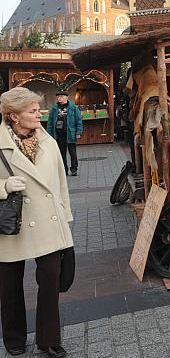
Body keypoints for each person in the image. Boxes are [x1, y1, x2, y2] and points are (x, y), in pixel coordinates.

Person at [0, 87, 73, 358]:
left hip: (47, 222)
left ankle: (49, 339)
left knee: (51, 278)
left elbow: (60, 184)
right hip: (11, 227)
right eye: (32, 111)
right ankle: (14, 337)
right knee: (9, 286)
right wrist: (4, 185)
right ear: (14, 116)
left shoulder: (48, 141)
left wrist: (66, 221)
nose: (39, 114)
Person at [46, 91, 82, 177]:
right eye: (58, 97)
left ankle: (74, 169)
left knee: (72, 153)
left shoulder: (73, 108)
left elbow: (79, 120)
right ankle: (64, 170)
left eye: (61, 96)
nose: (59, 98)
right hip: (59, 134)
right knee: (62, 154)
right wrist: (49, 134)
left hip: (70, 133)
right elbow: (50, 122)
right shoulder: (54, 109)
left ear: (66, 97)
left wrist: (78, 132)